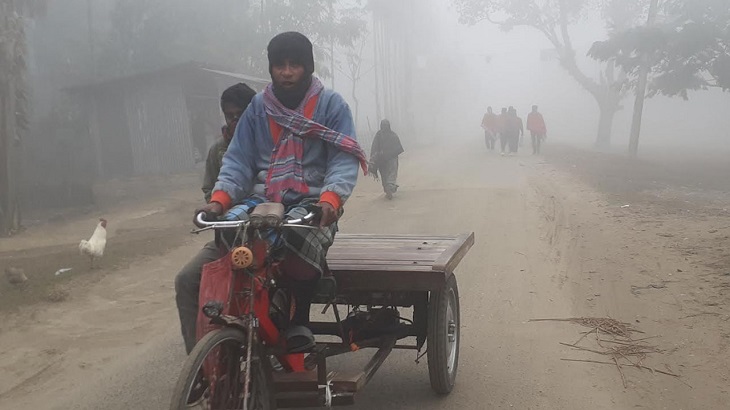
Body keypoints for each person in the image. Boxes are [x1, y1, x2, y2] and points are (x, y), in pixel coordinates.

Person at [193, 32, 366, 351]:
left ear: (308, 67)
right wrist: (218, 202)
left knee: (300, 237)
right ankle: (252, 310)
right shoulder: (258, 107)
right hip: (263, 200)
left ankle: (299, 316)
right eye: (280, 65)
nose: (286, 72)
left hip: (313, 200)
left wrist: (329, 202)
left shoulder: (331, 105)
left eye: (294, 65)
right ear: (271, 69)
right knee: (231, 229)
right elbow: (238, 160)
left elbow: (342, 162)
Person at [175, 83, 256, 354]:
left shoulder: (271, 146)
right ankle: (198, 360)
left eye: (240, 115)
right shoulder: (217, 151)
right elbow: (211, 191)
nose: (234, 121)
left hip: (268, 239)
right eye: (229, 115)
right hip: (228, 239)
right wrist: (216, 207)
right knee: (186, 280)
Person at [370, 119, 404, 199]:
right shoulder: (393, 135)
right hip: (391, 158)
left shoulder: (378, 135)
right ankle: (390, 185)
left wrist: (374, 157)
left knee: (384, 175)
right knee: (392, 172)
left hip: (382, 159)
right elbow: (398, 148)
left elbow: (374, 147)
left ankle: (387, 188)